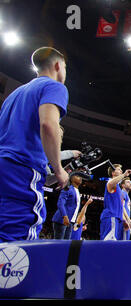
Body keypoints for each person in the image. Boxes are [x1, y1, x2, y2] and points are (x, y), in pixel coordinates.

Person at [0, 47, 69, 242]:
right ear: (58, 65)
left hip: (4, 166)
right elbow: (48, 125)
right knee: (19, 243)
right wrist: (58, 169)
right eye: (65, 68)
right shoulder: (55, 87)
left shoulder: (14, 94)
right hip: (22, 170)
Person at [99, 164, 131, 240]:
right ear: (113, 173)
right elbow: (110, 183)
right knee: (109, 244)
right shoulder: (111, 182)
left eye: (121, 170)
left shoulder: (118, 187)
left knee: (112, 243)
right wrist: (124, 175)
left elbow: (120, 207)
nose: (121, 170)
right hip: (111, 216)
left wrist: (124, 220)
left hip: (116, 218)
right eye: (118, 169)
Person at [52, 174, 83, 239]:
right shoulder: (68, 188)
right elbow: (60, 203)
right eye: (77, 176)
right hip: (62, 220)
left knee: (66, 245)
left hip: (71, 221)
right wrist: (64, 216)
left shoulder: (77, 191)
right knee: (59, 244)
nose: (80, 178)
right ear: (71, 179)